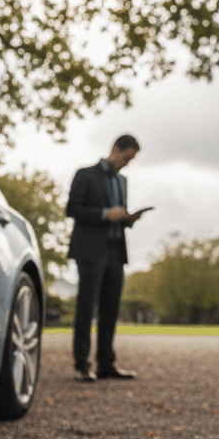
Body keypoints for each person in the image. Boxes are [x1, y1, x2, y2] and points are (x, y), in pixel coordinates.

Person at [66, 135, 149, 382]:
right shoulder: (85, 174)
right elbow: (72, 209)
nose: (127, 164)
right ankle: (82, 365)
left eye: (131, 160)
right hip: (90, 250)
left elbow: (119, 215)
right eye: (126, 157)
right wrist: (105, 214)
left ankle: (106, 364)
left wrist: (128, 219)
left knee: (111, 310)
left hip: (116, 250)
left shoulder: (123, 181)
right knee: (86, 309)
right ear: (115, 149)